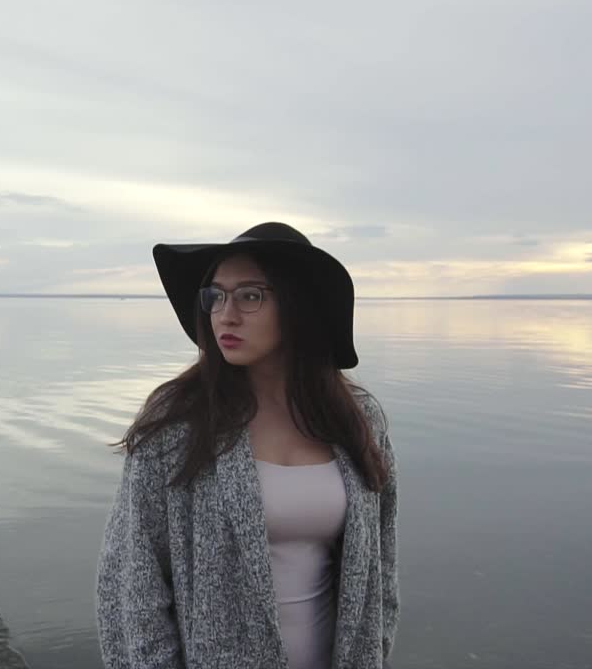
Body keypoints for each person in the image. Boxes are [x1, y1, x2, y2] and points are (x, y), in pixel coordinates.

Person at [96, 222, 398, 669]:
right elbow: (131, 589)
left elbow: (381, 569)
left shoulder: (358, 420)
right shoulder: (178, 423)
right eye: (216, 295)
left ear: (299, 305)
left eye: (249, 296)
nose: (225, 314)